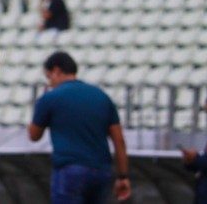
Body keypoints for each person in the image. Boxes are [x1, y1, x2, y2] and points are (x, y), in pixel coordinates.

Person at [27, 51, 131, 203]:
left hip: (69, 170)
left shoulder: (50, 98)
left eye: (48, 77)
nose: (49, 83)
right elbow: (119, 140)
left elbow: (34, 135)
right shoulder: (102, 96)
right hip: (101, 171)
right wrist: (123, 176)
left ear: (56, 70)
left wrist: (40, 103)